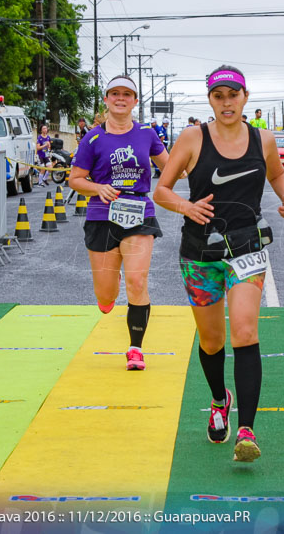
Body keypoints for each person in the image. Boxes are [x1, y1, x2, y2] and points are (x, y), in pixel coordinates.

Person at [153, 65, 284, 463]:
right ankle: (220, 399)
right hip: (200, 253)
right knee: (212, 340)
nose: (227, 102)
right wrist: (186, 205)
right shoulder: (192, 138)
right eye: (219, 96)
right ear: (210, 100)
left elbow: (278, 173)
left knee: (246, 333)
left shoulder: (262, 139)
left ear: (245, 97)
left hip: (248, 247)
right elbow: (161, 190)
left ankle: (246, 431)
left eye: (233, 94)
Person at [67, 76, 171, 372]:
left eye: (127, 94)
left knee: (137, 281)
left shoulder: (147, 134)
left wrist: (197, 161)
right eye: (115, 94)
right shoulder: (93, 138)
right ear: (107, 100)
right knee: (107, 293)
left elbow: (172, 166)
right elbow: (75, 179)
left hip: (139, 212)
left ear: (135, 101)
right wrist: (97, 188)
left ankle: (135, 349)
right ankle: (106, 298)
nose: (121, 98)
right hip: (101, 216)